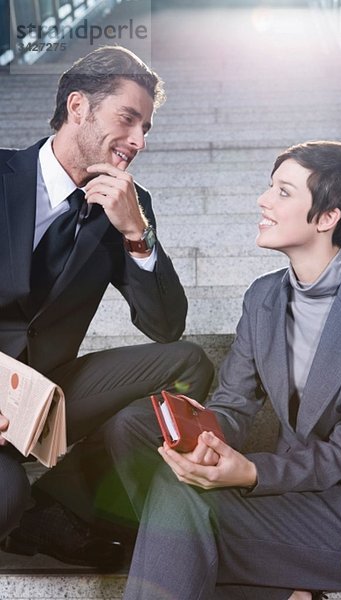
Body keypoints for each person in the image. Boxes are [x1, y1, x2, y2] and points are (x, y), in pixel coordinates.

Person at [118, 141, 341, 599]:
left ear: (328, 217)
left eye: (283, 192)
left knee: (176, 502)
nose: (263, 200)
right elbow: (233, 404)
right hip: (294, 494)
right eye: (270, 187)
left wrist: (249, 472)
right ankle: (283, 591)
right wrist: (205, 436)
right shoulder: (263, 297)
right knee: (140, 436)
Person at [0, 45, 213, 570]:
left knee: (189, 362)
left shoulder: (127, 207)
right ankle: (21, 512)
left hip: (46, 397)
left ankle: (58, 505)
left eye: (146, 129)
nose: (138, 141)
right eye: (128, 119)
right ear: (78, 107)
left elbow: (165, 327)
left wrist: (137, 235)